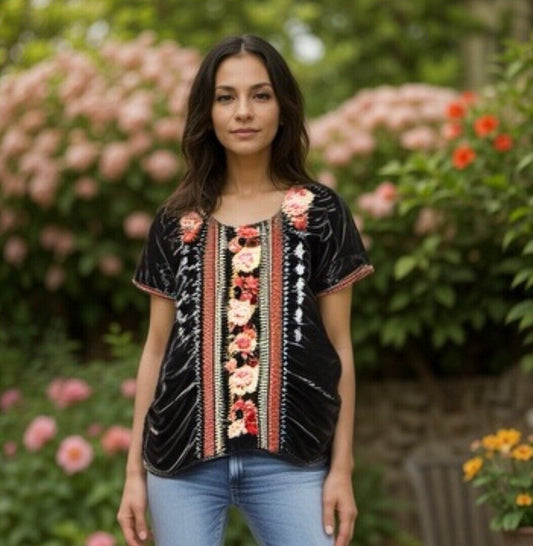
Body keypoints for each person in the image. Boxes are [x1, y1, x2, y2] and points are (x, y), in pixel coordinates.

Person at [117, 34, 374, 546]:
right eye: (225, 97)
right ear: (207, 112)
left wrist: (341, 468)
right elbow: (156, 348)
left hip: (294, 461)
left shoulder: (319, 212)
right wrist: (132, 475)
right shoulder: (176, 221)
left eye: (260, 95)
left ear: (283, 106)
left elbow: (340, 347)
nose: (243, 112)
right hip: (180, 465)